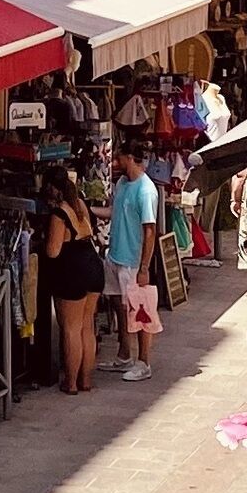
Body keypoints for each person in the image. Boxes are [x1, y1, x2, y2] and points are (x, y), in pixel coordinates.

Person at [108, 143, 162, 382]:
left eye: (118, 158)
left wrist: (144, 267)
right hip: (116, 255)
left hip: (132, 260)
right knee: (120, 307)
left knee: (140, 311)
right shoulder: (122, 184)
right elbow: (115, 212)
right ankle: (124, 355)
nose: (114, 163)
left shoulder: (146, 190)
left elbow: (150, 230)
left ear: (130, 157)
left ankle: (144, 361)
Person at [45, 181, 104, 394]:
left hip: (72, 270)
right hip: (93, 266)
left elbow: (53, 251)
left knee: (71, 329)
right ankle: (86, 380)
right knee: (87, 327)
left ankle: (70, 383)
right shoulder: (79, 204)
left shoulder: (59, 214)